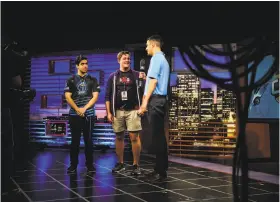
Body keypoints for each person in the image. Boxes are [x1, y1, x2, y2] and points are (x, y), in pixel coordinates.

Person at [105, 51, 146, 175]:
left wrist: (142, 107)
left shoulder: (136, 74)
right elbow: (107, 96)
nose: (127, 60)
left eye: (128, 58)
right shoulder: (113, 76)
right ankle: (121, 163)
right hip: (118, 112)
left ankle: (136, 165)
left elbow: (144, 91)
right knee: (119, 137)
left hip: (133, 111)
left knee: (134, 137)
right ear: (119, 60)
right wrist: (109, 113)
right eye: (124, 58)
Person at [138, 35, 170, 182]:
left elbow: (153, 81)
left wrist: (144, 103)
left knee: (157, 137)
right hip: (161, 101)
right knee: (159, 136)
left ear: (152, 45)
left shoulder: (156, 59)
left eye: (146, 45)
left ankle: (161, 172)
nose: (146, 48)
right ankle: (159, 169)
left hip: (156, 101)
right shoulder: (163, 59)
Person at [64, 55, 100, 173]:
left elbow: (95, 97)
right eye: (83, 64)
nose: (85, 66)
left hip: (88, 115)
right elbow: (68, 97)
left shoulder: (93, 79)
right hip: (74, 115)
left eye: (86, 63)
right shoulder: (71, 80)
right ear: (77, 66)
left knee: (88, 141)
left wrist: (84, 108)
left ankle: (89, 165)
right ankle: (73, 165)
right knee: (74, 141)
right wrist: (77, 109)